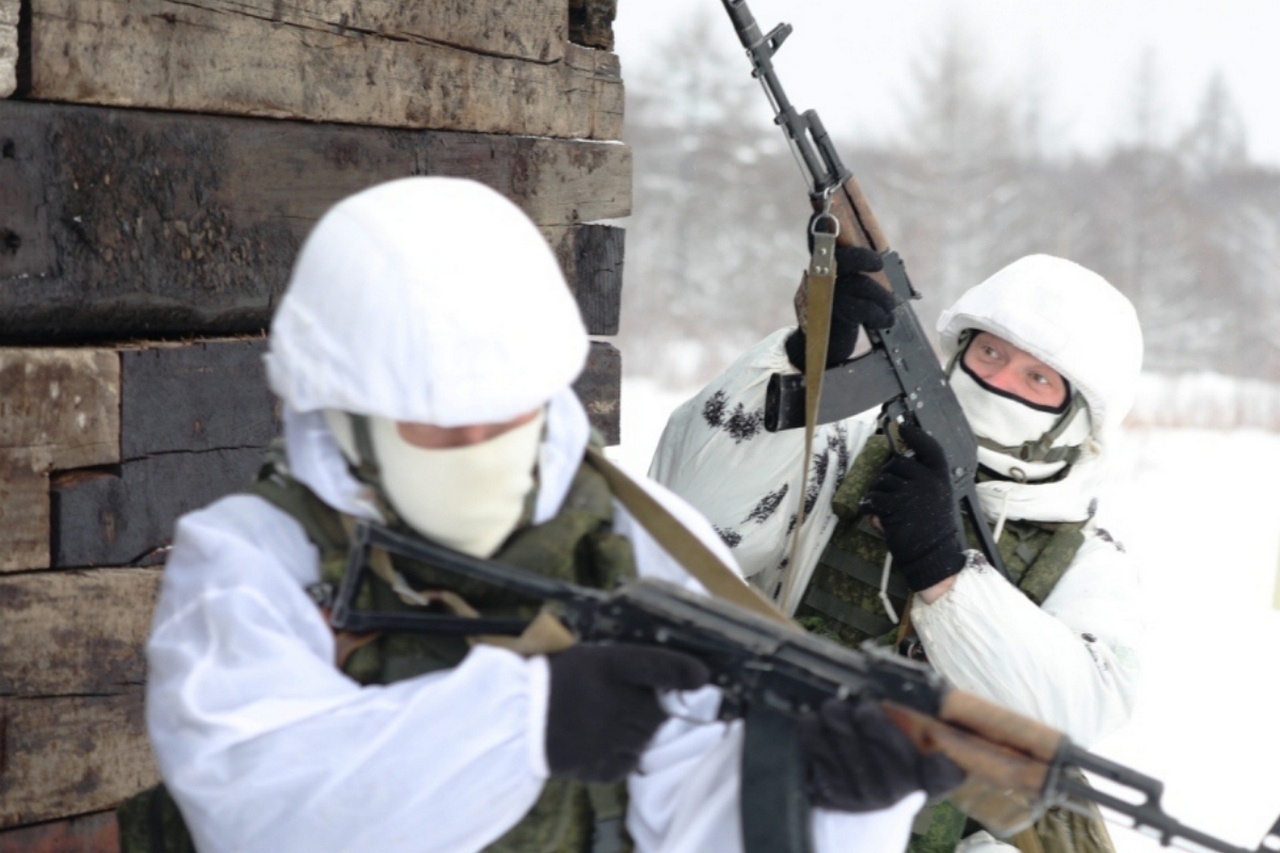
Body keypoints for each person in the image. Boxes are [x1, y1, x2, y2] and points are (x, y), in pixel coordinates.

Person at [141, 177, 961, 853]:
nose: (477, 444)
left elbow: (693, 817)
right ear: (342, 412)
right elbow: (258, 808)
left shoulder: (638, 537)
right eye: (435, 424)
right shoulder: (252, 559)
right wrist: (528, 719)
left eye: (505, 415)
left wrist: (831, 796)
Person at [649, 247, 1146, 852]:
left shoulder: (1088, 561)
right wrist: (806, 370)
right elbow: (691, 526)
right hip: (756, 804)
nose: (998, 383)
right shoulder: (849, 456)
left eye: (1036, 379)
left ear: (1075, 419)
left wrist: (946, 574)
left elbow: (1070, 714)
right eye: (990, 353)